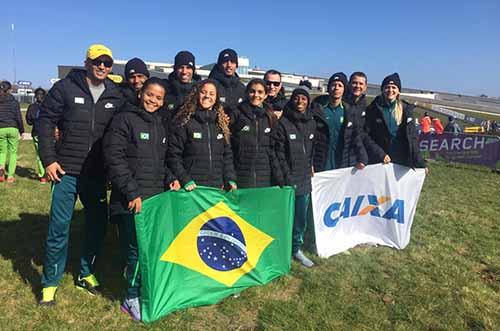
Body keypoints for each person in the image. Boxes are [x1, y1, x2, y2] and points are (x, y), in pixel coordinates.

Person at [38, 44, 124, 306]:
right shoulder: (65, 87)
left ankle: (86, 273)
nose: (102, 67)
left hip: (96, 173)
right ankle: (50, 283)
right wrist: (49, 160)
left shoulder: (115, 94)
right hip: (65, 171)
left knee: (97, 226)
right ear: (87, 62)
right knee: (59, 227)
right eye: (97, 62)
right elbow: (44, 122)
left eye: (107, 63)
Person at [103, 77, 179, 321]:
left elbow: (161, 161)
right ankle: (131, 297)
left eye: (158, 98)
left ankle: (142, 285)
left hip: (154, 199)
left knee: (148, 248)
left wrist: (170, 179)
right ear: (140, 93)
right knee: (137, 250)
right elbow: (114, 158)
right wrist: (132, 192)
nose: (153, 100)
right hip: (132, 199)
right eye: (149, 95)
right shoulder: (124, 119)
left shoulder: (160, 124)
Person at [168, 79, 236, 191]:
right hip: (193, 187)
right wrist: (184, 179)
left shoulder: (221, 124)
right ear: (196, 94)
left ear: (216, 98)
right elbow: (174, 155)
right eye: (203, 92)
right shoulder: (185, 122)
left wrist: (229, 178)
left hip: (217, 187)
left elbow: (227, 156)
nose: (207, 96)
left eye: (212, 94)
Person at [275, 87, 316, 268]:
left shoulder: (312, 123)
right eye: (297, 98)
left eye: (304, 98)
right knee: (284, 217)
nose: (300, 101)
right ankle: (281, 250)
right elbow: (278, 152)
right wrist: (286, 176)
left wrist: (311, 165)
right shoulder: (283, 123)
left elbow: (313, 149)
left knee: (300, 218)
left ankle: (296, 249)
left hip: (304, 178)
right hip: (287, 180)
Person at [364, 73, 427, 171]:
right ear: (382, 90)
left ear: (398, 91)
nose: (390, 90)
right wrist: (380, 153)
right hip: (380, 161)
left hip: (401, 161)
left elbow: (412, 138)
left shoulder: (406, 110)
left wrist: (420, 163)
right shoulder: (373, 109)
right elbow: (365, 135)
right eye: (387, 87)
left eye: (394, 87)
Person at [230, 78, 283, 188]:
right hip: (241, 175)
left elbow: (273, 150)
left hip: (264, 176)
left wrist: (280, 178)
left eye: (260, 92)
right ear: (246, 93)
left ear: (265, 95)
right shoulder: (236, 114)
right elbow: (228, 147)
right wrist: (230, 177)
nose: (256, 95)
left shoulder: (270, 117)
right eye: (252, 91)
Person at [311, 72, 367, 172]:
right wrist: (309, 163)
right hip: (320, 161)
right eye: (333, 85)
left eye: (340, 85)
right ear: (328, 88)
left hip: (341, 161)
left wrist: (362, 157)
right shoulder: (317, 108)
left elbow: (356, 135)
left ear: (344, 89)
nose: (336, 88)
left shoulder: (348, 111)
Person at [0, 80, 25, 183]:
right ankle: (10, 176)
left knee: (2, 151)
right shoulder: (14, 102)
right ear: (10, 89)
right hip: (13, 128)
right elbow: (18, 117)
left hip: (1, 128)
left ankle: (1, 169)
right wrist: (21, 130)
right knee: (13, 152)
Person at [208, 48, 245, 115]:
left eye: (232, 62)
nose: (229, 65)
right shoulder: (210, 85)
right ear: (219, 64)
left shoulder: (241, 88)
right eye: (225, 62)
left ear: (236, 65)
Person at [26, 87, 47, 183]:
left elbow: (29, 121)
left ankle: (43, 175)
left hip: (37, 132)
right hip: (48, 133)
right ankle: (49, 173)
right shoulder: (49, 106)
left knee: (39, 155)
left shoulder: (32, 107)